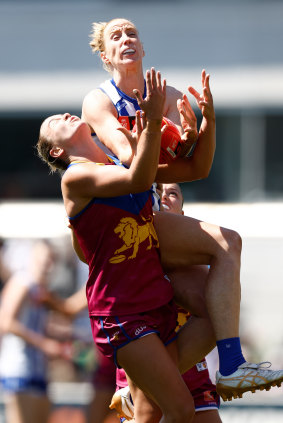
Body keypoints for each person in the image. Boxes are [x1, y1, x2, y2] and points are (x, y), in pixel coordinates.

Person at [80, 17, 283, 403]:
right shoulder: (99, 100)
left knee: (216, 304)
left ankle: (157, 383)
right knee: (228, 244)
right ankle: (159, 382)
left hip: (148, 217)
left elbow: (193, 167)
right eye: (116, 36)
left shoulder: (169, 94)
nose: (127, 39)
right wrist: (164, 129)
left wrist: (201, 127)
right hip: (117, 226)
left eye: (133, 33)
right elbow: (130, 161)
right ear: (106, 55)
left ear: (144, 48)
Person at [110, 183, 222, 423]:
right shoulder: (128, 245)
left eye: (173, 193)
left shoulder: (194, 255)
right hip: (142, 368)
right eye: (157, 190)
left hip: (191, 366)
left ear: (183, 215)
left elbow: (217, 311)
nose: (164, 197)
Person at [0, 239, 69, 423]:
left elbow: (38, 326)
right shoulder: (22, 282)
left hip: (38, 370)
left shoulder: (40, 290)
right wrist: (44, 344)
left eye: (52, 259)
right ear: (33, 258)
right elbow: (7, 323)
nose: (48, 265)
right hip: (20, 370)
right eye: (45, 258)